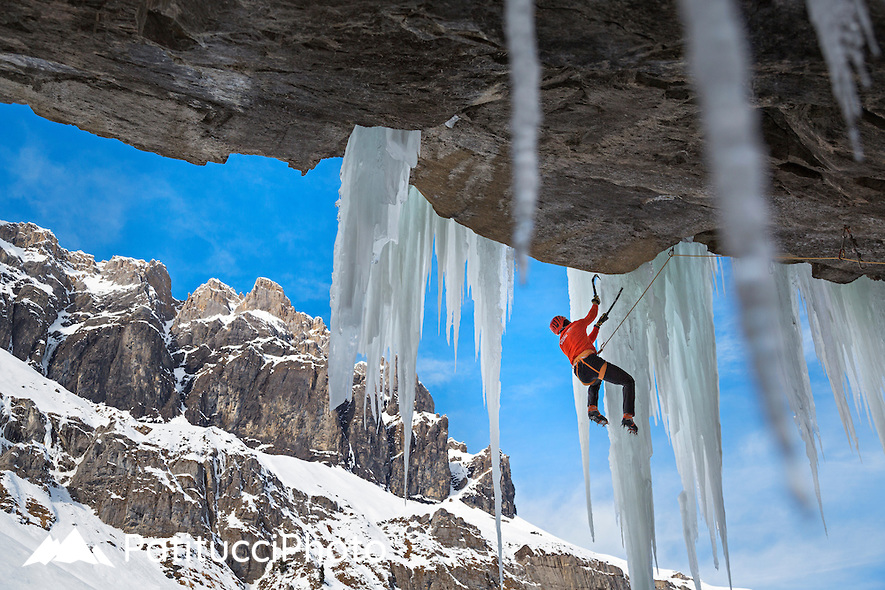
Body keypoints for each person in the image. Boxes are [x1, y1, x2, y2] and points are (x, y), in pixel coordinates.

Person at [550, 296, 638, 434]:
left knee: (596, 380)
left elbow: (587, 341)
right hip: (589, 363)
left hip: (580, 371)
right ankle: (628, 416)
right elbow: (590, 316)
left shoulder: (562, 342)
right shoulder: (576, 325)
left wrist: (597, 326)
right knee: (628, 381)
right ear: (565, 321)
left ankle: (592, 409)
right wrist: (595, 303)